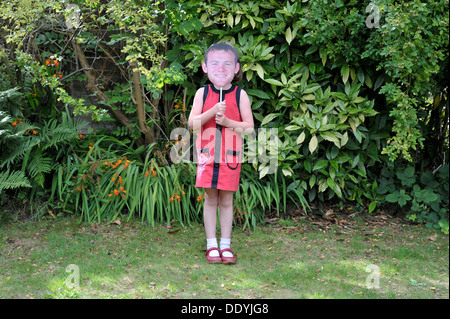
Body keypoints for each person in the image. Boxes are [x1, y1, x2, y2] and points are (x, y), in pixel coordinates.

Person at [188, 42, 254, 264]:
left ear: (236, 69)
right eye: (215, 63)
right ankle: (211, 245)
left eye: (228, 64)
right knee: (210, 198)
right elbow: (192, 123)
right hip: (208, 156)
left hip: (230, 157)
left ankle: (225, 245)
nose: (221, 68)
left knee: (226, 200)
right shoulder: (202, 92)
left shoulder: (239, 94)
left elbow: (249, 127)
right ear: (205, 67)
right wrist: (212, 112)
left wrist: (227, 121)